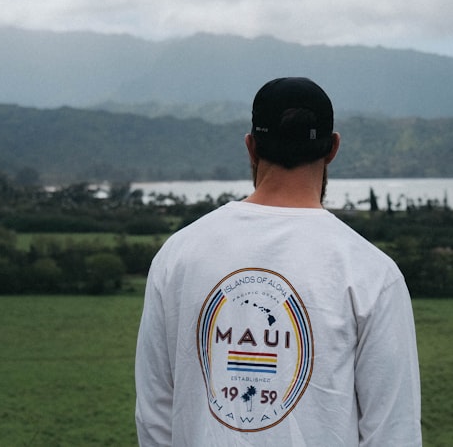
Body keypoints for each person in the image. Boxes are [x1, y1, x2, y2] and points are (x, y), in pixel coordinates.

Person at [134, 77, 422, 446]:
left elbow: (155, 415)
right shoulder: (371, 271)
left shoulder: (178, 254)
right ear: (332, 148)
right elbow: (393, 432)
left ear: (251, 147)